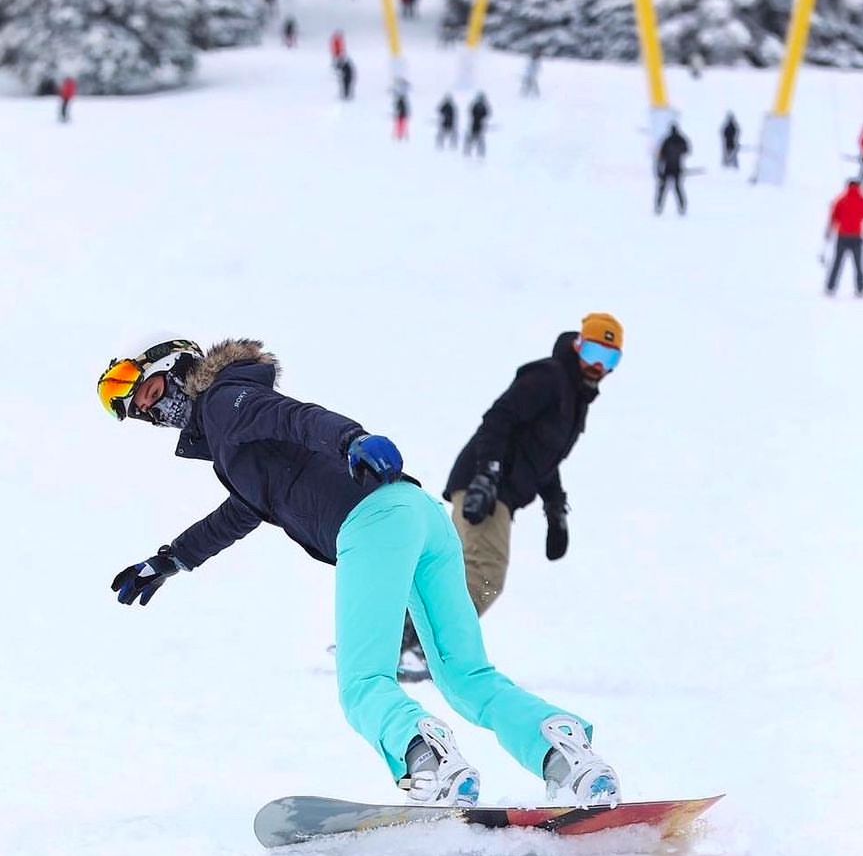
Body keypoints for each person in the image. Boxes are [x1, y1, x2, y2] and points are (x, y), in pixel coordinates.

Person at [99, 337, 621, 807]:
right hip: (420, 517)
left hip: (372, 524)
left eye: (144, 391)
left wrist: (352, 439)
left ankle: (431, 761)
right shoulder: (233, 447)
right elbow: (241, 510)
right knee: (466, 676)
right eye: (137, 411)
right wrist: (170, 559)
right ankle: (567, 756)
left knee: (363, 684)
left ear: (174, 363)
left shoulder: (223, 400)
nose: (151, 410)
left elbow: (292, 415)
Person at [399, 315, 623, 681]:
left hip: (495, 487)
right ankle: (417, 648)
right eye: (596, 351)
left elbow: (543, 458)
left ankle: (400, 639)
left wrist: (555, 508)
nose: (600, 366)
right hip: (486, 486)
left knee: (460, 571)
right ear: (579, 344)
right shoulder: (549, 377)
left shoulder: (573, 397)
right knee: (484, 574)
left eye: (610, 359)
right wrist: (487, 474)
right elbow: (498, 420)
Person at [825, 179, 863, 298]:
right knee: (858, 265)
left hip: (842, 236)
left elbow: (834, 216)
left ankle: (830, 287)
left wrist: (830, 230)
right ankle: (860, 289)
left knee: (837, 263)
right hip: (857, 237)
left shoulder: (841, 199)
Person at [655, 122, 690, 215]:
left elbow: (660, 156)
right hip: (677, 167)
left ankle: (658, 207)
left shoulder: (667, 140)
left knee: (664, 188)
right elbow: (687, 150)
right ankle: (682, 207)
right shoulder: (681, 139)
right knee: (677, 188)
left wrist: (659, 169)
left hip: (668, 167)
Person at [465, 92, 491, 157]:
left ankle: (480, 153)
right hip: (474, 124)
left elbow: (487, 114)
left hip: (480, 125)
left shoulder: (484, 106)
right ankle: (468, 151)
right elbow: (471, 112)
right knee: (471, 138)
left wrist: (481, 117)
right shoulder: (475, 105)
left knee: (480, 139)